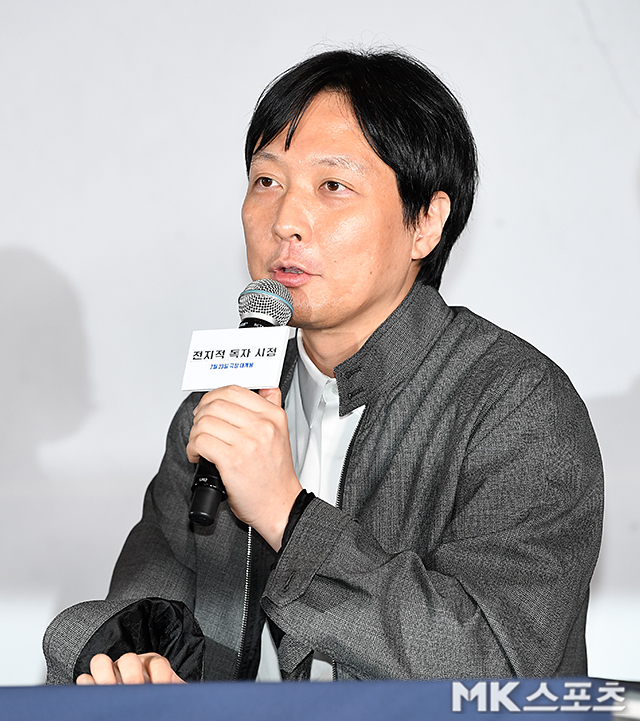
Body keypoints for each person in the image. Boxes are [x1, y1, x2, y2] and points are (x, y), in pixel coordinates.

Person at [43, 48, 603, 684]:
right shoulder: (226, 404)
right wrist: (134, 663)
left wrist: (286, 513)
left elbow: (497, 667)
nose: (286, 221)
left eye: (332, 187)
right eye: (267, 182)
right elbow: (148, 599)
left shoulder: (518, 406)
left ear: (426, 222)